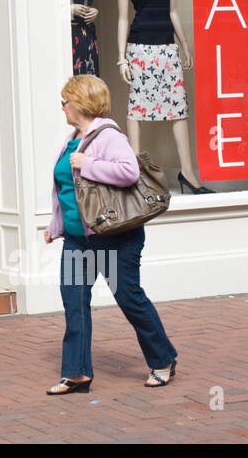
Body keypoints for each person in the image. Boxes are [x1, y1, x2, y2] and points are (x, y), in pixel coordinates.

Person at [43, 74, 177, 395]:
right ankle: (76, 373)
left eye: (65, 101)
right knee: (74, 300)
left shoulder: (107, 135)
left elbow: (129, 172)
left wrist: (88, 162)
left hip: (115, 235)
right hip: (79, 239)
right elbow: (65, 189)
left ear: (80, 103)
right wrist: (54, 227)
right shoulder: (72, 137)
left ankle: (163, 359)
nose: (62, 107)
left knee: (129, 298)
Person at [113, 0, 210, 194]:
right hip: (140, 48)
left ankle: (189, 174)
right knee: (137, 108)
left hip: (167, 46)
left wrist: (184, 45)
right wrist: (121, 57)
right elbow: (123, 18)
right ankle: (134, 175)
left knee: (178, 108)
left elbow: (172, 11)